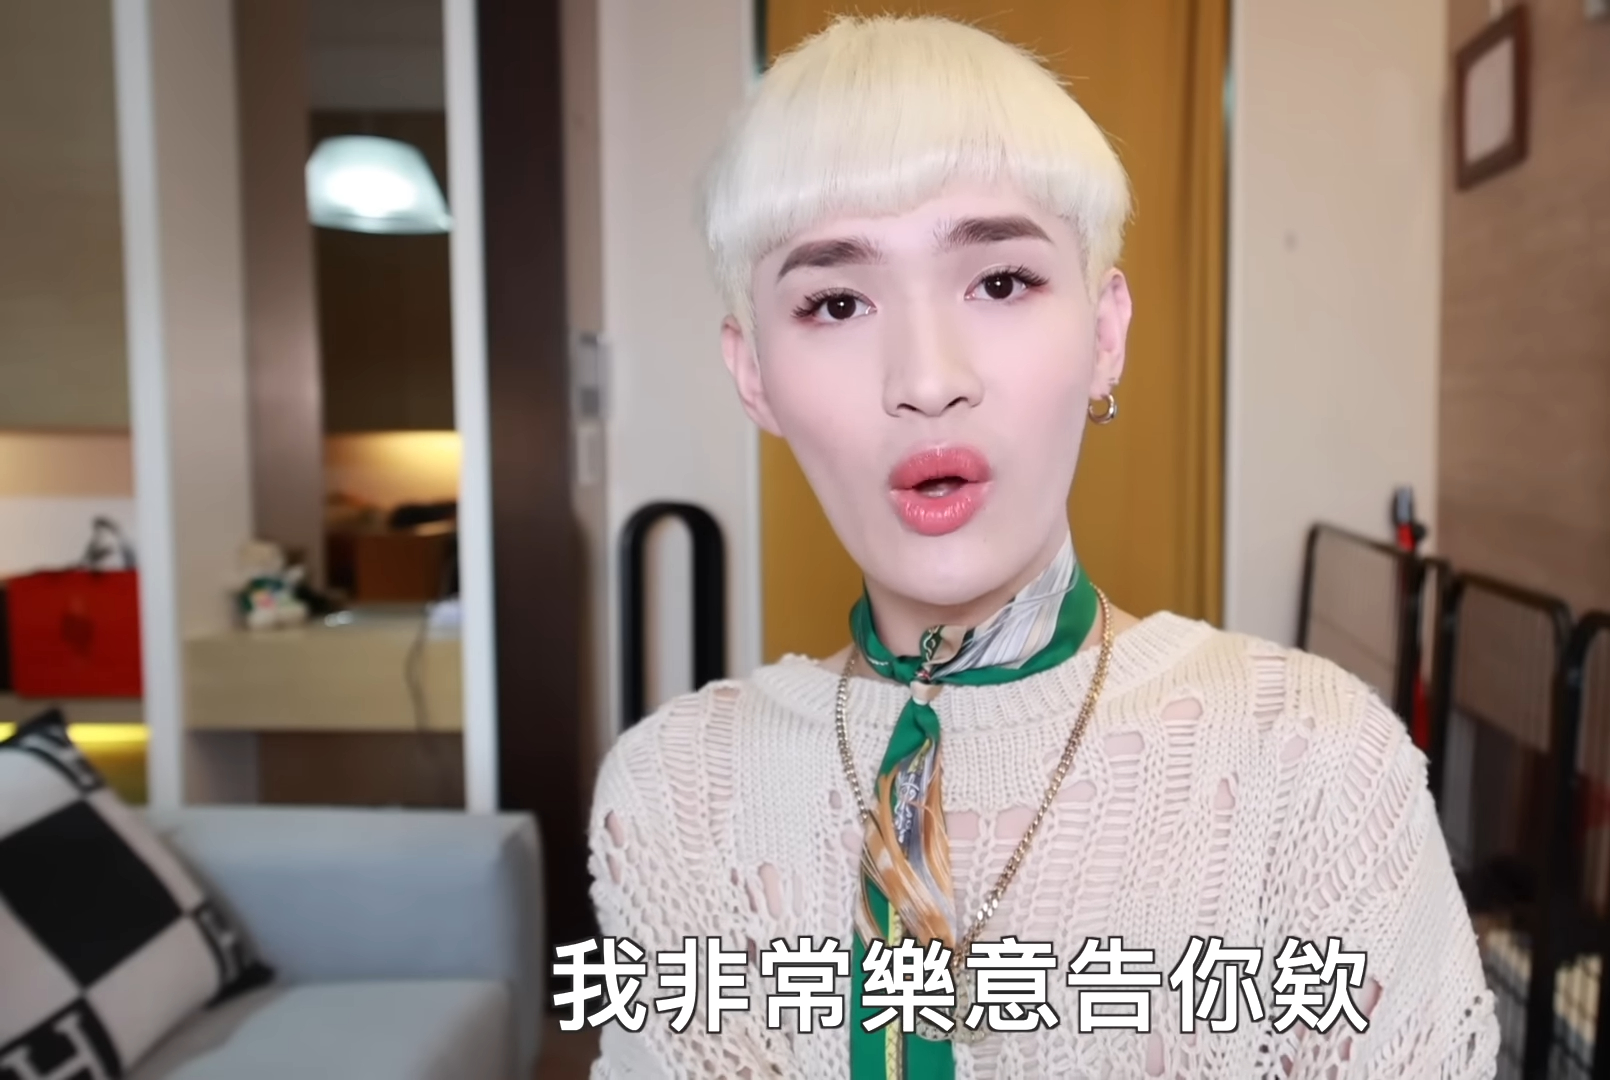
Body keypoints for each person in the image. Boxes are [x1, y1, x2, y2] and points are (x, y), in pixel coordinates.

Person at [589, 14, 1497, 1079]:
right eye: (835, 301)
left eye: (1002, 282)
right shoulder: (673, 796)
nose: (927, 379)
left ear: (1105, 333)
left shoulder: (1313, 765)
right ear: (754, 375)